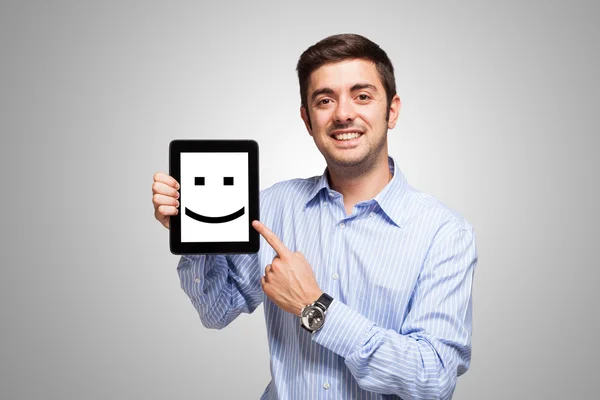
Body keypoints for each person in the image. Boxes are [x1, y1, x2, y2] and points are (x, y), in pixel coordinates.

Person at [152, 33, 478, 400]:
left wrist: (315, 307)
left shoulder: (444, 233)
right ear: (308, 120)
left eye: (362, 96)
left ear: (392, 110)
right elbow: (216, 311)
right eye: (325, 100)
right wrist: (193, 236)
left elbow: (432, 378)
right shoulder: (271, 208)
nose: (342, 114)